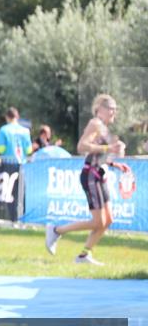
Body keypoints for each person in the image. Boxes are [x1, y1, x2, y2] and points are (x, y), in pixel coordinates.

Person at [44, 94, 131, 265]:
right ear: (101, 109)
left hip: (99, 173)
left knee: (108, 220)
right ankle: (56, 230)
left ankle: (84, 255)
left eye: (115, 109)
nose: (114, 112)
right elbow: (81, 146)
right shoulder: (95, 123)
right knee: (98, 221)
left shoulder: (103, 127)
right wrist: (109, 147)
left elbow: (98, 153)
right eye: (111, 108)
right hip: (91, 174)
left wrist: (114, 162)